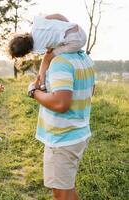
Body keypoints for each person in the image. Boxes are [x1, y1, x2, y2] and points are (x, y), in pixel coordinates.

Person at [27, 50, 95, 200]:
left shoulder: (60, 62)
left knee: (61, 194)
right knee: (66, 189)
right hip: (78, 133)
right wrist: (45, 62)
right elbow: (91, 90)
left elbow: (60, 103)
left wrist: (33, 92)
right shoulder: (84, 58)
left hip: (62, 138)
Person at [8, 13, 87, 90]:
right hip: (77, 28)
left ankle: (42, 84)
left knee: (47, 57)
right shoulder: (37, 23)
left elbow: (49, 53)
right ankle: (42, 83)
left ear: (25, 53)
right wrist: (66, 25)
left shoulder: (37, 49)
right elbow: (58, 16)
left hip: (76, 43)